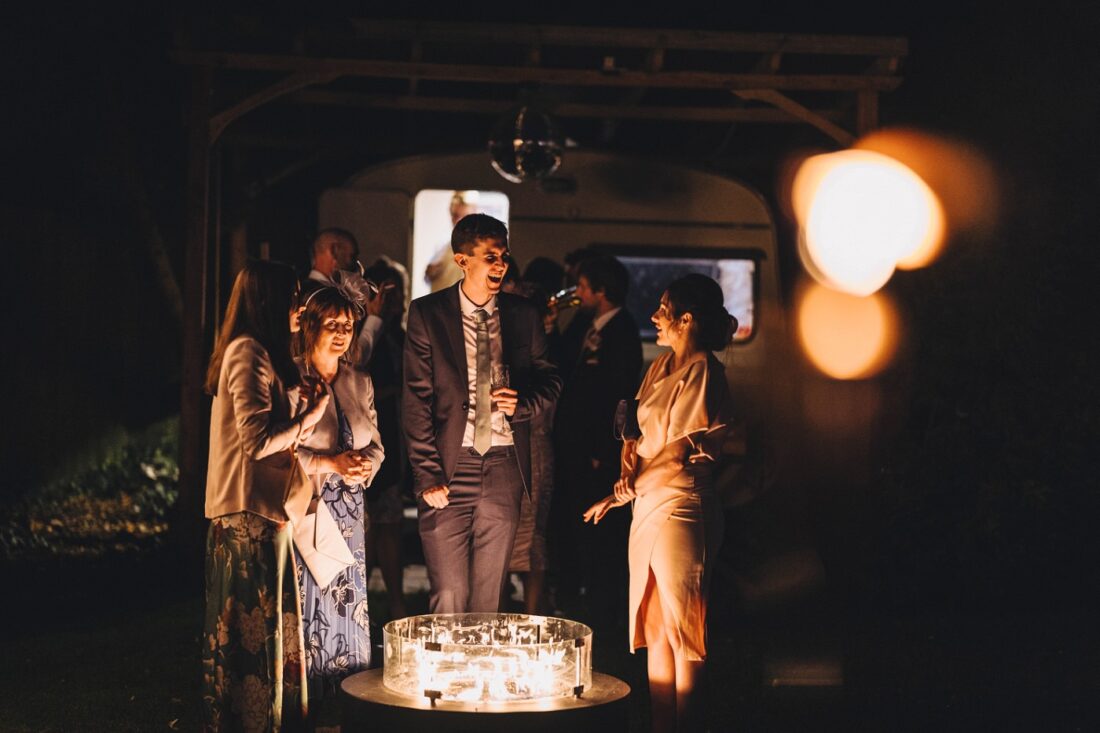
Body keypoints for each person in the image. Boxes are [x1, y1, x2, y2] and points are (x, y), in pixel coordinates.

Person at [584, 273, 736, 733]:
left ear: (686, 320)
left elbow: (677, 453)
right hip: (646, 503)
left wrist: (620, 492)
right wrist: (627, 469)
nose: (654, 316)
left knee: (681, 624)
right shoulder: (659, 367)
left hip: (682, 505)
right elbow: (634, 429)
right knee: (652, 624)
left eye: (664, 308)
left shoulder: (704, 370)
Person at [403, 213, 561, 614]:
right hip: (449, 466)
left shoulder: (523, 316)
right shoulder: (428, 314)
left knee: (489, 596)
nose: (501, 264)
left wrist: (522, 403)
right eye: (490, 256)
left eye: (504, 255)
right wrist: (427, 475)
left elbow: (550, 380)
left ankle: (480, 674)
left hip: (505, 462)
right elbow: (416, 400)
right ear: (462, 260)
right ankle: (441, 676)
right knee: (450, 591)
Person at [202, 260, 329, 732]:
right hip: (246, 511)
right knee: (251, 628)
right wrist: (310, 416)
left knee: (267, 623)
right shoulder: (246, 352)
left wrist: (299, 401)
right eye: (293, 296)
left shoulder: (262, 354)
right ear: (270, 301)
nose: (299, 307)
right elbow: (255, 441)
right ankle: (249, 720)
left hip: (265, 509)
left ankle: (269, 718)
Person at [292, 281, 385, 709]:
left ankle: (347, 696)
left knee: (350, 602)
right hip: (310, 508)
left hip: (351, 511)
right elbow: (284, 451)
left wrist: (366, 466)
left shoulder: (358, 381)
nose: (342, 331)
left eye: (347, 324)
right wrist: (332, 464)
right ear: (311, 326)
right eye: (332, 323)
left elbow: (376, 444)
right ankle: (309, 695)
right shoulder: (292, 380)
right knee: (314, 600)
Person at [550, 255, 642, 630]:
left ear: (602, 291)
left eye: (584, 287)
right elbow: (562, 362)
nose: (579, 294)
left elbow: (617, 397)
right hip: (572, 445)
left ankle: (604, 612)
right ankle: (575, 600)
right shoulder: (586, 324)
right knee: (572, 527)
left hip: (595, 453)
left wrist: (603, 452)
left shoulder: (622, 331)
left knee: (600, 538)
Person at [501, 258, 565, 614]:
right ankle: (496, 609)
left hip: (535, 445)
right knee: (501, 534)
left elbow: (549, 396)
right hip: (504, 445)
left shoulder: (545, 356)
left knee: (531, 533)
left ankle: (532, 613)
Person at [359, 257, 411, 621]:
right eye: (387, 293)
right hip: (366, 437)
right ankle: (362, 599)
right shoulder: (363, 333)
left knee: (390, 521)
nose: (395, 301)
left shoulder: (403, 336)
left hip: (396, 436)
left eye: (399, 293)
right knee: (367, 523)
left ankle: (395, 600)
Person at [303, 227, 386, 367]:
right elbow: (352, 358)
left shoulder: (303, 288)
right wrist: (374, 318)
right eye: (352, 256)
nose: (356, 264)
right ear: (334, 251)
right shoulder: (314, 296)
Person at [423, 191, 477, 292]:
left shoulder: (484, 249)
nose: (459, 221)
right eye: (455, 215)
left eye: (464, 216)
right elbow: (427, 278)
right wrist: (430, 273)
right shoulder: (442, 247)